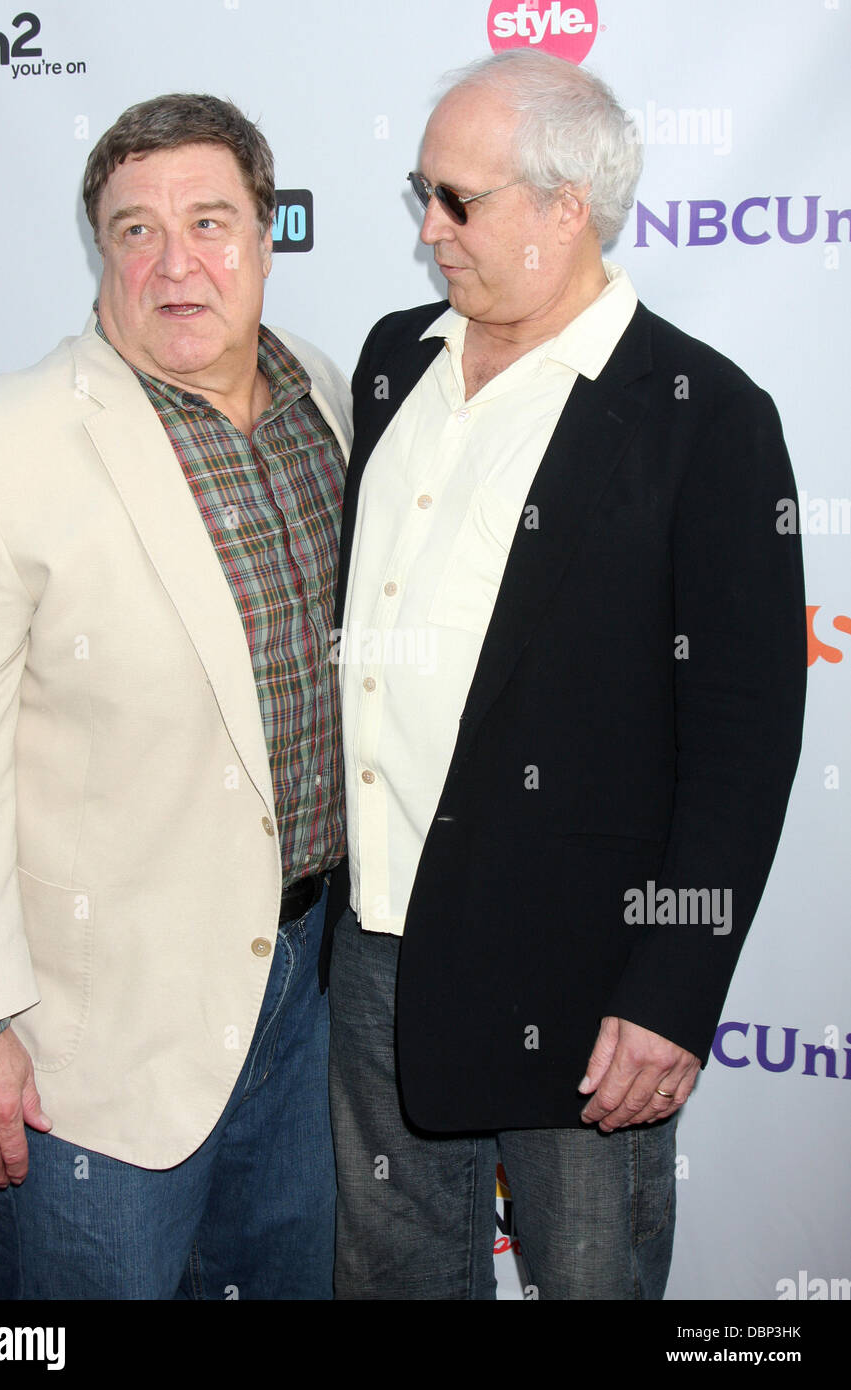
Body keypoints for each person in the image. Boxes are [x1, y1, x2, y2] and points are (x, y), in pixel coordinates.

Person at [324, 50, 806, 1300]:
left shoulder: (705, 412)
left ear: (564, 207)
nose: (428, 231)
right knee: (394, 1278)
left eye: (459, 201)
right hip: (375, 951)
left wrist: (675, 994)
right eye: (420, 192)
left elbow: (746, 742)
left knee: (589, 1283)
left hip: (585, 983)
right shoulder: (393, 362)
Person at [0, 93, 351, 1300]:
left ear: (268, 236)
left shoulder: (320, 393)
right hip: (88, 1043)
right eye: (134, 229)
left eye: (210, 222)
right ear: (98, 252)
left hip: (308, 994)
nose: (175, 263)